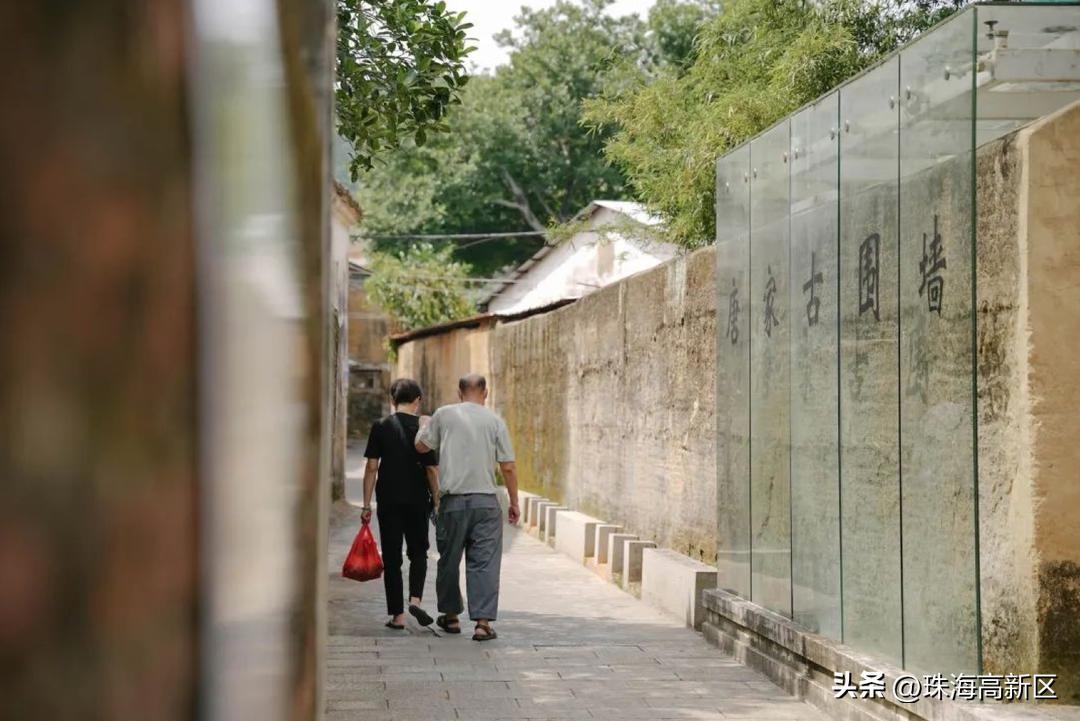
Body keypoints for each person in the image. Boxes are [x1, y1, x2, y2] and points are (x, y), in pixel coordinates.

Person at [415, 373, 519, 642]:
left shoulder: (444, 415)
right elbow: (508, 466)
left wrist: (423, 424)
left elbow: (421, 446)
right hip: (486, 503)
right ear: (486, 392)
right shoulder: (495, 421)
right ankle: (483, 624)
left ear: (459, 392)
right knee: (484, 563)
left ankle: (450, 618)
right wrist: (514, 502)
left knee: (449, 561)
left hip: (452, 502)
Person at [361, 378, 439, 630]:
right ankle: (415, 599)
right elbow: (431, 470)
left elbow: (372, 467)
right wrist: (437, 501)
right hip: (417, 499)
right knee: (418, 552)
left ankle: (398, 616)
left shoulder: (380, 426)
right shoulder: (423, 427)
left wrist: (365, 505)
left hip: (388, 499)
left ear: (392, 401)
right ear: (418, 401)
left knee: (392, 557)